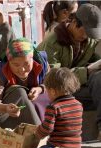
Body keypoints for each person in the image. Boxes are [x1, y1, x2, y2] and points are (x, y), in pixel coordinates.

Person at [37, 3, 101, 140]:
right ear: (73, 22)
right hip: (58, 92)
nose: (87, 36)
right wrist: (86, 72)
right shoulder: (53, 42)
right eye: (84, 31)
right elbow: (54, 78)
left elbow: (95, 59)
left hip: (78, 88)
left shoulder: (88, 40)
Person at [29, 67, 83, 148]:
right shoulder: (78, 104)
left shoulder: (54, 107)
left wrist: (37, 133)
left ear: (53, 91)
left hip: (58, 147)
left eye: (47, 91)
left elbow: (47, 129)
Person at [0, 38, 49, 129]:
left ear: (32, 58)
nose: (22, 70)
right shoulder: (1, 72)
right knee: (19, 92)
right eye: (16, 65)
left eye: (26, 64)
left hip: (38, 107)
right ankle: (38, 133)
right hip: (12, 112)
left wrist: (40, 89)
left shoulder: (42, 64)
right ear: (9, 62)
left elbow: (52, 84)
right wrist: (5, 108)